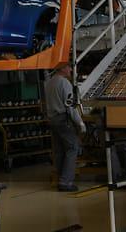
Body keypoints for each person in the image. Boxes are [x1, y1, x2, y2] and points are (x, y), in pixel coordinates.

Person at [44, 63, 85, 191]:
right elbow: (70, 106)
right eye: (68, 67)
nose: (71, 69)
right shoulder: (64, 83)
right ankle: (66, 182)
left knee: (59, 151)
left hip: (53, 120)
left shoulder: (49, 83)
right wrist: (80, 123)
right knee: (72, 148)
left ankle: (61, 178)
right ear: (62, 68)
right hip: (63, 120)